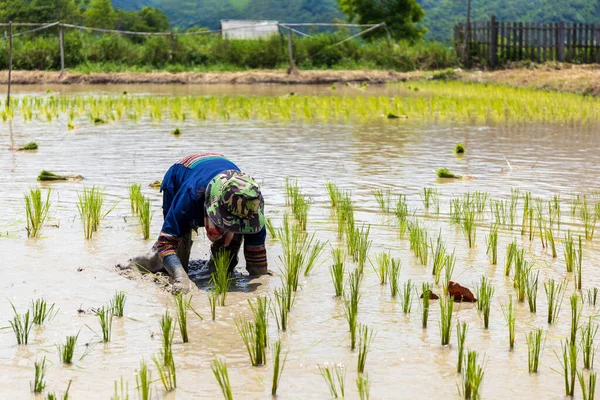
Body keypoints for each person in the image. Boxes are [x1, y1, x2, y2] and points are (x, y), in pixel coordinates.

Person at [133, 153, 269, 292]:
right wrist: (181, 279)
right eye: (224, 222)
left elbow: (256, 254)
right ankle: (150, 259)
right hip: (183, 171)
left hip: (218, 170)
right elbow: (166, 243)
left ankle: (214, 265)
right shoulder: (191, 195)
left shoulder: (250, 203)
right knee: (179, 260)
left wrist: (261, 280)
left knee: (225, 267)